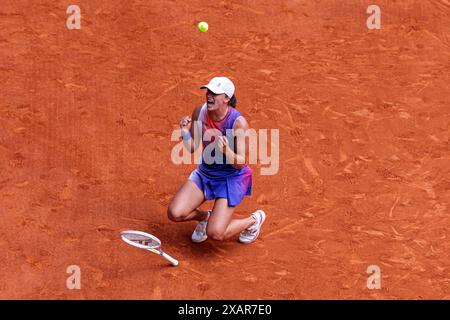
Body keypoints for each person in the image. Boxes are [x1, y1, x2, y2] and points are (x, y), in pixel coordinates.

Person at [167, 76, 266, 243]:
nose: (209, 95)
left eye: (215, 93)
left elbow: (241, 162)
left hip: (230, 178)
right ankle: (205, 217)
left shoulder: (238, 123)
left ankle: (253, 220)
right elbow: (192, 147)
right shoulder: (200, 112)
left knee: (216, 233)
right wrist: (184, 131)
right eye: (208, 91)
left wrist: (227, 150)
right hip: (206, 173)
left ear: (226, 98)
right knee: (175, 213)